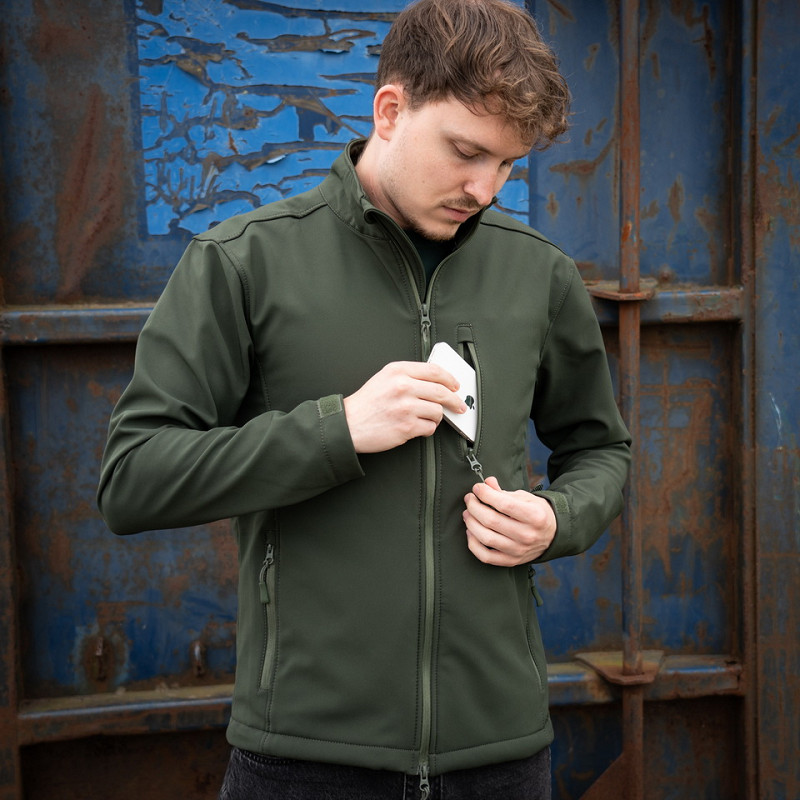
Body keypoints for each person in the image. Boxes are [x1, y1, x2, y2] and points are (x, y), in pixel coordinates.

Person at [97, 0, 631, 797]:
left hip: (500, 752)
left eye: (508, 166)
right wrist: (337, 429)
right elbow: (133, 478)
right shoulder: (242, 262)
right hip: (304, 756)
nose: (484, 189)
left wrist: (560, 519)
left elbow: (601, 450)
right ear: (389, 110)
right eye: (466, 152)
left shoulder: (539, 275)